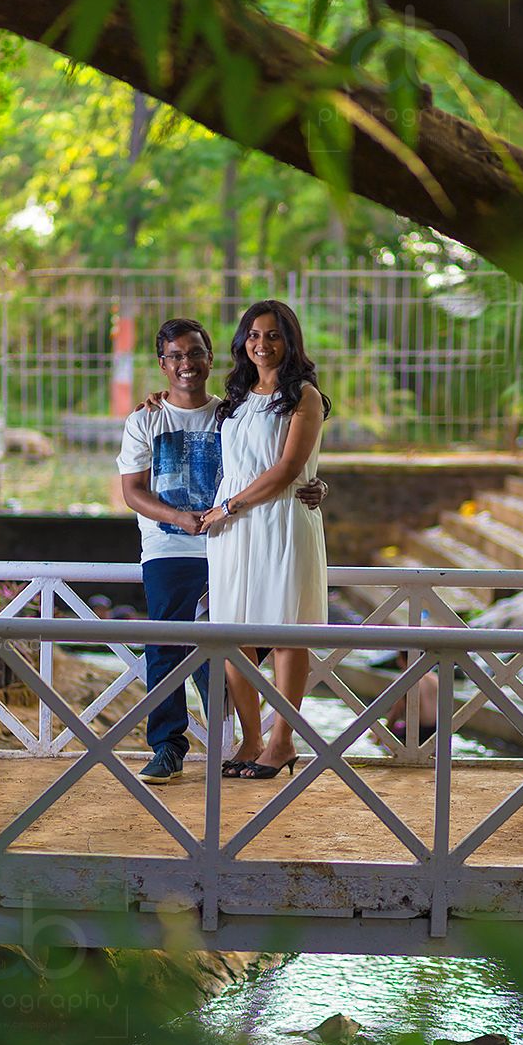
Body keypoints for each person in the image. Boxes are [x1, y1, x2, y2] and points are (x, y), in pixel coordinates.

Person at [117, 316, 325, 786]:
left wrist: (315, 485)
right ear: (162, 364)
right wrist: (181, 519)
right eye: (175, 356)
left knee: (256, 637)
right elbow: (131, 491)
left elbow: (281, 459)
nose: (186, 364)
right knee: (170, 642)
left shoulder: (228, 407)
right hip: (173, 544)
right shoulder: (149, 417)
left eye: (194, 353)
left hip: (237, 537)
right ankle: (172, 746)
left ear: (211, 357)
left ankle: (249, 739)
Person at [199, 300, 331, 779]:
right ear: (242, 342)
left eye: (273, 335)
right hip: (232, 531)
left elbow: (288, 470)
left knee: (285, 632)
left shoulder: (305, 397)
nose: (262, 344)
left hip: (279, 521)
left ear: (289, 341)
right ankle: (251, 738)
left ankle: (282, 740)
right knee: (232, 634)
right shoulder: (233, 397)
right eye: (253, 335)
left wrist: (229, 507)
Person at [384, 651, 439, 746]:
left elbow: (396, 712)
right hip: (436, 730)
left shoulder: (406, 680)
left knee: (377, 735)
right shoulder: (434, 677)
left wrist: (381, 735)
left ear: (401, 659)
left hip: (418, 731)